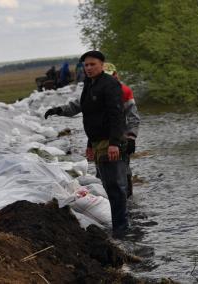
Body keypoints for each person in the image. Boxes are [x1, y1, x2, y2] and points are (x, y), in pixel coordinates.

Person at [44, 51, 129, 235]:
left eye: (92, 64)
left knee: (116, 187)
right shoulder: (89, 85)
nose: (88, 68)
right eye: (86, 65)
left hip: (111, 143)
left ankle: (122, 229)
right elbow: (90, 116)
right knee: (107, 186)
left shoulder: (110, 84)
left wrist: (114, 143)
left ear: (102, 65)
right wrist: (90, 145)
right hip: (98, 143)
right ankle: (118, 226)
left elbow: (116, 115)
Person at [86, 62, 140, 198]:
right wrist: (89, 144)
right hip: (100, 139)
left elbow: (133, 118)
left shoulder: (125, 91)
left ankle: (128, 203)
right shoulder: (94, 91)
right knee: (101, 172)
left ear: (116, 75)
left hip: (120, 138)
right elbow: (92, 121)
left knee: (124, 171)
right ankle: (106, 202)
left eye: (111, 76)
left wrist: (131, 137)